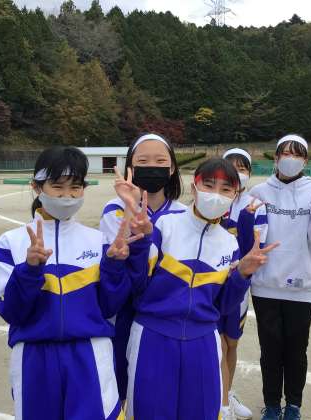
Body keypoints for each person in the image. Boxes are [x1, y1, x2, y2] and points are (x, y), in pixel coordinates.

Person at [112, 157, 278, 420]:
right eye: (209, 185)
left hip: (203, 341)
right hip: (152, 336)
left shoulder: (229, 244)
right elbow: (137, 284)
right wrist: (142, 242)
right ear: (194, 187)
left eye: (226, 189)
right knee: (149, 412)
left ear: (235, 196)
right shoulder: (164, 226)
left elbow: (223, 306)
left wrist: (242, 274)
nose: (216, 194)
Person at [0, 146, 136, 420]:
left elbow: (110, 306)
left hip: (90, 352)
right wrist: (30, 270)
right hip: (33, 355)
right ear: (37, 187)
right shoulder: (11, 242)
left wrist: (114, 266)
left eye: (75, 187)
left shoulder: (98, 241)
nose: (67, 196)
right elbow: (11, 312)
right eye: (57, 187)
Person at [249, 135, 311, 420]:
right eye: (285, 153)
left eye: (297, 155)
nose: (290, 159)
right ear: (275, 158)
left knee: (297, 352)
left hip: (303, 286)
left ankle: (294, 406)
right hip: (265, 286)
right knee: (270, 351)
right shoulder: (259, 192)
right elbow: (250, 236)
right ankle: (272, 405)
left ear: (305, 161)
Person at [99, 133, 186, 402]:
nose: (152, 167)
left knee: (156, 391)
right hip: (124, 314)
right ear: (131, 167)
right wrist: (131, 205)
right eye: (143, 161)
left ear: (172, 168)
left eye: (160, 161)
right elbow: (117, 264)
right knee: (121, 389)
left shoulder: (183, 214)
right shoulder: (114, 209)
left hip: (163, 315)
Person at [219, 148, 268, 420]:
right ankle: (221, 402)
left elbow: (256, 247)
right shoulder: (214, 198)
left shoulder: (255, 203)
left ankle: (228, 391)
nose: (238, 173)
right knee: (217, 344)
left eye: (243, 168)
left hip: (239, 284)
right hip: (212, 284)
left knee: (232, 343)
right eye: (232, 166)